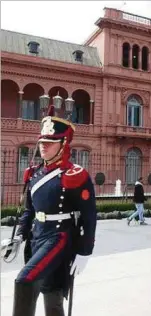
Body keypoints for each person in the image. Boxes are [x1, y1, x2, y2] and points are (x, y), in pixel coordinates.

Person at [1, 102, 97, 316]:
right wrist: (18, 236)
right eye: (42, 141)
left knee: (24, 280)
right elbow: (29, 211)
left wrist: (84, 251)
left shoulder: (76, 174)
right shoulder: (34, 173)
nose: (44, 145)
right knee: (52, 294)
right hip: (37, 237)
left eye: (50, 142)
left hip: (59, 237)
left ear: (63, 144)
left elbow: (89, 216)